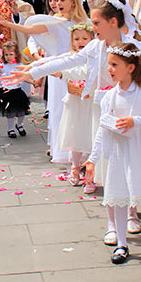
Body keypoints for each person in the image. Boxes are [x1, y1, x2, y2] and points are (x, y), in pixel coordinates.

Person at [7, 0, 141, 245]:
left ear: (113, 22)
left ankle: (132, 213)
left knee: (132, 164)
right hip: (102, 111)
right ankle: (113, 222)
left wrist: (133, 89)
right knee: (108, 166)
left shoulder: (140, 49)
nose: (92, 28)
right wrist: (34, 70)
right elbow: (67, 59)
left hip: (133, 114)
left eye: (96, 23)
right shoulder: (95, 47)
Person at [84, 42, 141, 264]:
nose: (109, 69)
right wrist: (92, 159)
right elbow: (103, 127)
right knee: (119, 197)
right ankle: (122, 243)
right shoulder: (110, 96)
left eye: (114, 64)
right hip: (119, 154)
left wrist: (135, 121)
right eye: (109, 64)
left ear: (130, 67)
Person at [0, 0, 88, 164]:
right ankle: (62, 150)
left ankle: (79, 150)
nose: (58, 4)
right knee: (59, 111)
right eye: (56, 0)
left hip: (78, 70)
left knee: (78, 112)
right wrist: (6, 22)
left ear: (73, 1)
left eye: (62, 0)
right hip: (57, 70)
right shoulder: (54, 23)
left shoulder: (83, 22)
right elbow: (29, 30)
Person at [57, 24, 96, 190]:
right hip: (75, 100)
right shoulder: (71, 56)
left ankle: (89, 173)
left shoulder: (95, 56)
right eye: (77, 39)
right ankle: (75, 166)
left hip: (90, 102)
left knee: (90, 134)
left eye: (85, 38)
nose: (81, 42)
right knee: (75, 133)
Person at [0, 41, 30, 138]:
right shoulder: (3, 66)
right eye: (6, 54)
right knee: (10, 113)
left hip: (18, 91)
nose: (8, 56)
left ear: (16, 54)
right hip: (7, 92)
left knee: (21, 112)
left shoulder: (19, 65)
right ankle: (10, 129)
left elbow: (24, 76)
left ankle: (19, 125)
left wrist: (32, 82)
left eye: (11, 54)